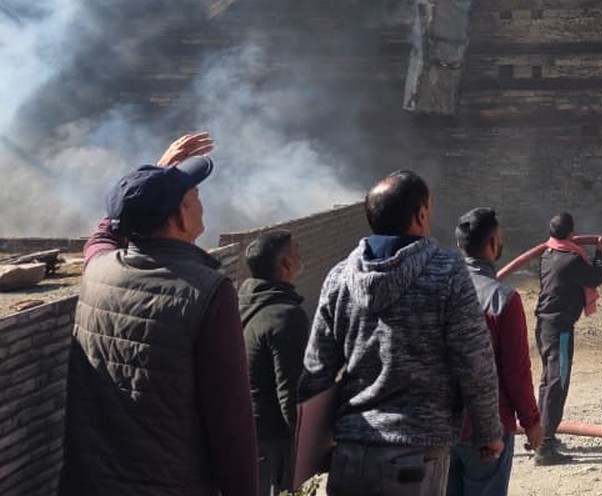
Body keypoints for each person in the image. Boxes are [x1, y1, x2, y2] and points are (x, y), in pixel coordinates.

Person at [61, 130, 256, 496]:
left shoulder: (99, 270)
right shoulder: (207, 291)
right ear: (180, 217)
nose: (201, 202)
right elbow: (231, 423)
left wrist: (154, 177)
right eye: (194, 196)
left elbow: (102, 235)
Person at [300, 170, 502, 496]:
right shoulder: (447, 271)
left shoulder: (339, 277)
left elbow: (316, 369)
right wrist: (488, 431)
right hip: (417, 458)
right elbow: (474, 359)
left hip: (351, 453)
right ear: (420, 214)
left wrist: (316, 447)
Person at [448, 208, 543, 496]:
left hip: (439, 428)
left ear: (458, 246)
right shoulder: (504, 300)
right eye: (499, 237)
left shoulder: (438, 292)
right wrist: (531, 422)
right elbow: (516, 372)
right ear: (492, 245)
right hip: (487, 432)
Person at [240, 229, 310, 496]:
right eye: (296, 251)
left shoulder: (241, 304)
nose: (301, 256)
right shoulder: (285, 316)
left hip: (241, 432)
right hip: (271, 442)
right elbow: (290, 394)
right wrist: (308, 450)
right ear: (286, 264)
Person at [534, 211, 602, 463]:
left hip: (545, 325)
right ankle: (544, 447)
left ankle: (542, 435)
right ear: (570, 233)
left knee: (548, 381)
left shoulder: (547, 254)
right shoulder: (570, 260)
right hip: (560, 328)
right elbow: (597, 277)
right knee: (557, 383)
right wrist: (599, 253)